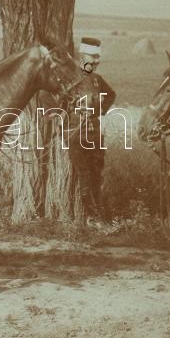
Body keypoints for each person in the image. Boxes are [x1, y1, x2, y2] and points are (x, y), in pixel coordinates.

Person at [68, 37, 116, 226]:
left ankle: (100, 214)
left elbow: (111, 95)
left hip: (95, 134)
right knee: (85, 175)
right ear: (83, 55)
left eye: (98, 57)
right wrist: (68, 111)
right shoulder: (70, 78)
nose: (96, 61)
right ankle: (92, 217)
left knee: (96, 174)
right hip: (75, 134)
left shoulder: (97, 80)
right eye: (93, 56)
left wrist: (98, 111)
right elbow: (51, 100)